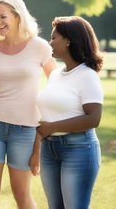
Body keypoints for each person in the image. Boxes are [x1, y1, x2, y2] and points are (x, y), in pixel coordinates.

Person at [0, 0, 57, 209]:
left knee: (21, 194)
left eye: (3, 17)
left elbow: (56, 84)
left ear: (17, 16)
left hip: (26, 129)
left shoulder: (39, 47)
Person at [36, 16, 103, 209]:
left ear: (68, 40)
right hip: (49, 150)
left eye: (54, 37)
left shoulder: (87, 76)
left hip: (78, 150)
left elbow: (94, 118)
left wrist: (50, 128)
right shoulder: (56, 74)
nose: (50, 43)